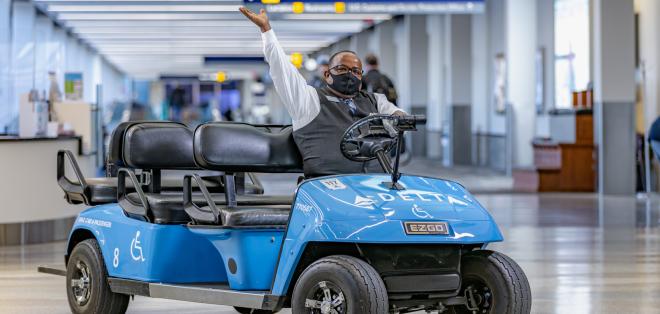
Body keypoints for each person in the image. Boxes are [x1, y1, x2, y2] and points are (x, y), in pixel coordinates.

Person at [239, 7, 405, 177]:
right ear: (327, 74)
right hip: (328, 187)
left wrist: (400, 116)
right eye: (342, 69)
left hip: (376, 184)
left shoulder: (375, 100)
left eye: (356, 71)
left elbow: (395, 114)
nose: (350, 74)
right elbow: (282, 70)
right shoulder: (309, 100)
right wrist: (267, 31)